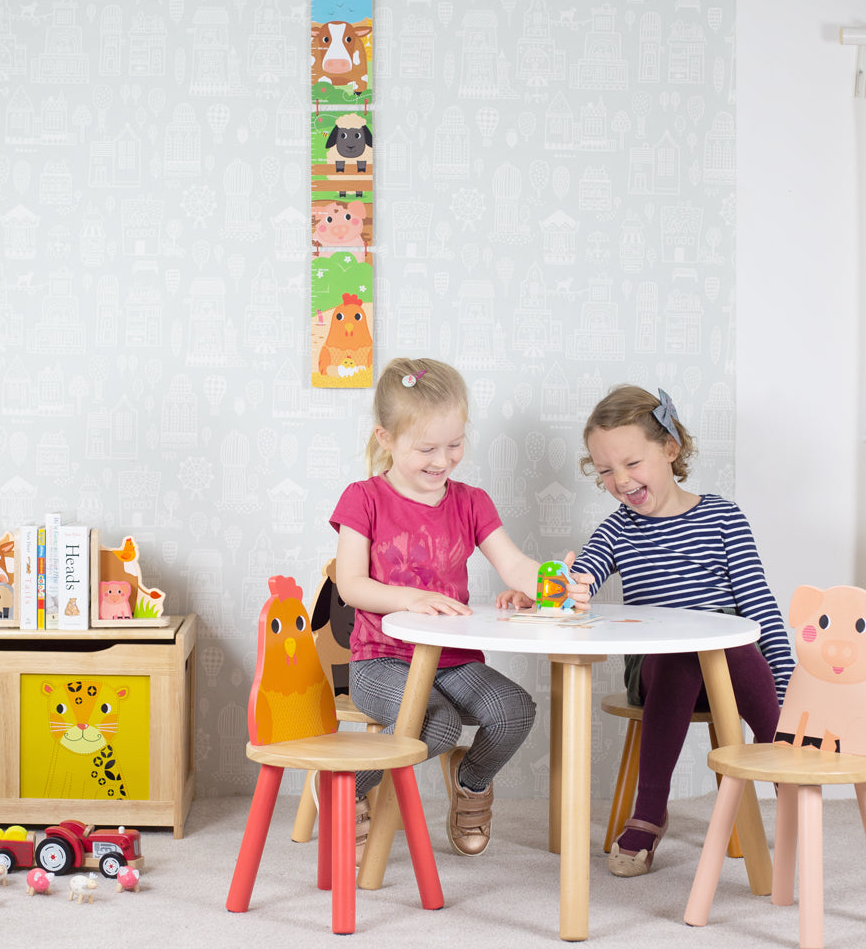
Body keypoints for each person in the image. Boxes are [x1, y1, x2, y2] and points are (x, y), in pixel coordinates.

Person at [501, 384, 793, 878]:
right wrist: (545, 591)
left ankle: (786, 766)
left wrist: (785, 683)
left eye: (632, 463)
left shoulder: (724, 518)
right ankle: (650, 809)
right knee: (681, 654)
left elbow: (759, 606)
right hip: (657, 673)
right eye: (605, 470)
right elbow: (581, 578)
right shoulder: (617, 529)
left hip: (730, 674)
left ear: (670, 449)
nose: (620, 480)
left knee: (738, 644)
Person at [331, 357, 591, 860]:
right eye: (426, 448)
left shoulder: (471, 502)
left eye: (454, 444)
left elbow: (514, 565)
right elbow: (351, 585)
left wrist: (555, 584)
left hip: (452, 661)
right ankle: (347, 786)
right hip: (380, 660)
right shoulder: (363, 498)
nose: (443, 460)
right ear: (386, 438)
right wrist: (410, 598)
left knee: (514, 710)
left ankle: (470, 780)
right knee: (439, 724)